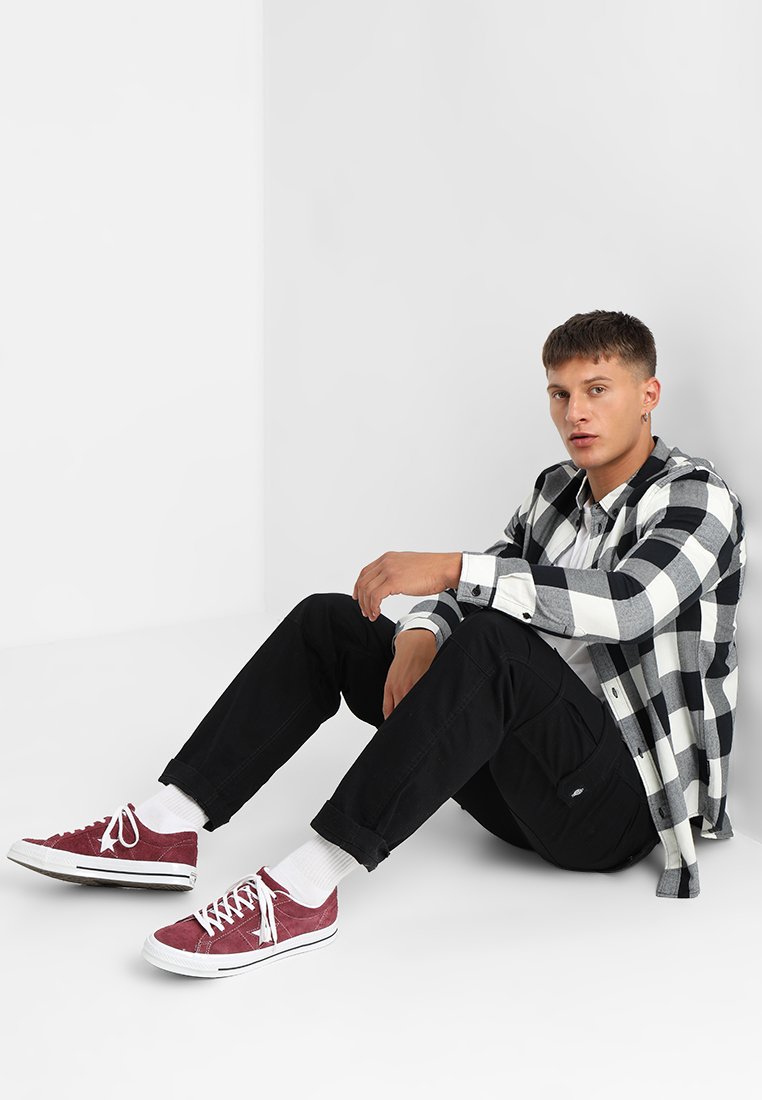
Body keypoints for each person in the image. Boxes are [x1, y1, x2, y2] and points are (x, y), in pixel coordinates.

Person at [7, 310, 746, 979]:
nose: (575, 412)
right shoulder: (557, 490)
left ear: (648, 395)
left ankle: (305, 888)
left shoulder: (697, 498)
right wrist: (422, 630)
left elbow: (628, 605)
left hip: (615, 809)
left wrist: (450, 570)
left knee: (492, 642)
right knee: (332, 622)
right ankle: (168, 823)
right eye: (560, 393)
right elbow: (489, 582)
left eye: (597, 390)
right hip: (519, 778)